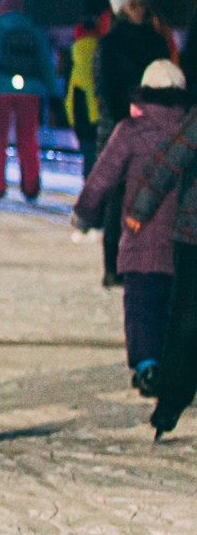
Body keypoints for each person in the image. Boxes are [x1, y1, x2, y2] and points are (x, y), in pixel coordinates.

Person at [73, 60, 186, 401]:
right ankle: (175, 367)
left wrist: (85, 214)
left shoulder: (130, 131)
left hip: (141, 242)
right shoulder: (190, 132)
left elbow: (102, 178)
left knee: (141, 307)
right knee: (175, 309)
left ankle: (148, 366)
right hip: (183, 244)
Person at [126, 68, 197, 440]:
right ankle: (169, 402)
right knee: (186, 322)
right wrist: (142, 208)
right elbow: (171, 159)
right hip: (194, 234)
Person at [95, 0, 174, 288]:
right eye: (133, 4)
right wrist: (124, 129)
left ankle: (146, 263)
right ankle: (114, 266)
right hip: (122, 131)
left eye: (141, 3)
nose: (140, 9)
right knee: (118, 201)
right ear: (120, 8)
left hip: (154, 129)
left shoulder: (156, 41)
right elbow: (107, 92)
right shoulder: (109, 45)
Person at [0, 0, 60, 200]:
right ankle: (30, 186)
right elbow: (46, 65)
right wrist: (53, 93)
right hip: (29, 90)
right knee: (28, 139)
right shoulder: (33, 31)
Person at [67, 11, 107, 182]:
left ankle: (90, 194)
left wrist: (72, 120)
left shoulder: (77, 55)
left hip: (83, 115)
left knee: (89, 156)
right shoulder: (103, 52)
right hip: (101, 113)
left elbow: (71, 95)